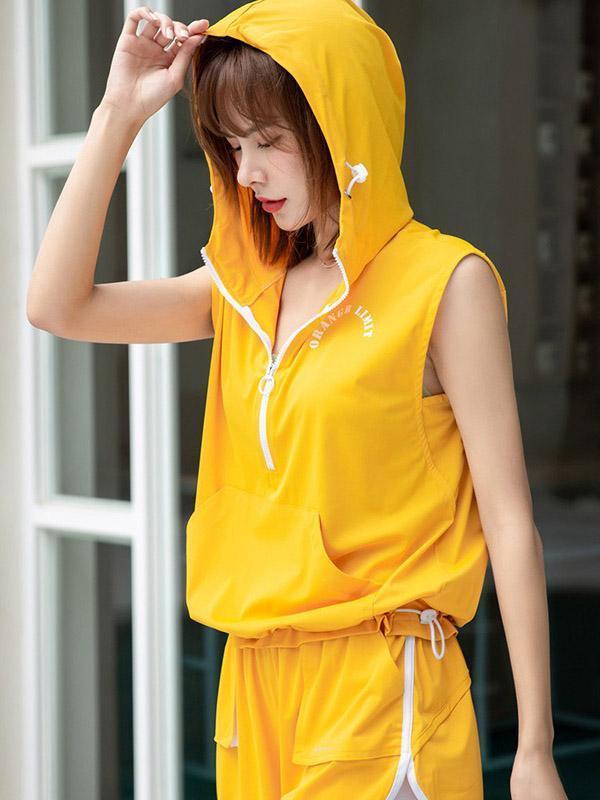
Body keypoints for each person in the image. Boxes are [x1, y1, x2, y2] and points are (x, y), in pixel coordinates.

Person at [26, 2, 568, 799]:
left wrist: (534, 748)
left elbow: (511, 521)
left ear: (338, 126)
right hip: (252, 690)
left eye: (269, 141)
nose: (246, 173)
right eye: (232, 145)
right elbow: (56, 306)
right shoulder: (245, 290)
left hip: (378, 687)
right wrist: (118, 114)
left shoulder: (446, 285)